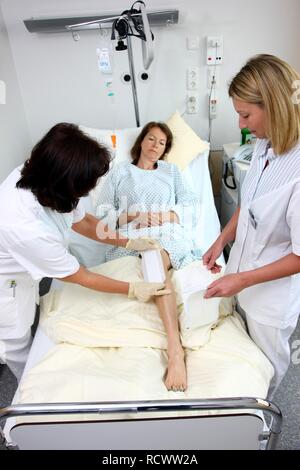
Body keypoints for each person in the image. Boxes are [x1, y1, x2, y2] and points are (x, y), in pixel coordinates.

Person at [0, 123, 170, 382]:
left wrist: (128, 242)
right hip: (6, 286)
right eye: (85, 187)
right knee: (17, 342)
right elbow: (80, 276)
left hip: (25, 265)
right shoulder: (26, 227)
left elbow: (84, 221)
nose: (88, 192)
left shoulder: (44, 174)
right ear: (65, 183)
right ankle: (29, 391)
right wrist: (133, 289)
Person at [203, 54, 300, 397]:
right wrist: (222, 238)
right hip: (242, 275)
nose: (243, 124)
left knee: (263, 379)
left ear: (274, 105)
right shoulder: (264, 143)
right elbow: (251, 202)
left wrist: (242, 279)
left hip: (270, 300)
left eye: (246, 115)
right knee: (241, 363)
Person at [95, 122, 200, 392]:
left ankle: (175, 350)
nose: (155, 145)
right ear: (141, 141)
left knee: (154, 258)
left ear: (166, 150)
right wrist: (134, 216)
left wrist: (162, 216)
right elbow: (102, 217)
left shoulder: (171, 172)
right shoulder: (120, 172)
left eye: (162, 142)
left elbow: (190, 208)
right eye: (151, 139)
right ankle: (174, 348)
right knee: (148, 256)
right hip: (131, 234)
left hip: (167, 232)